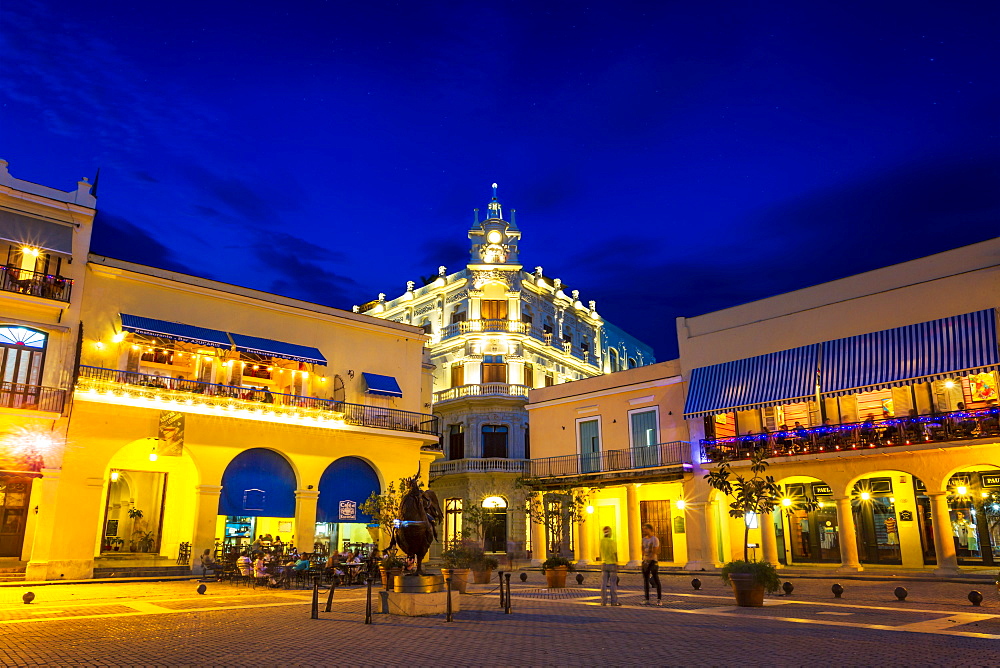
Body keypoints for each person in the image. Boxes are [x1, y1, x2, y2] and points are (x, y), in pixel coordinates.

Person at [641, 523, 662, 606]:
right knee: (645, 580)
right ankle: (646, 598)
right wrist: (644, 560)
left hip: (653, 561)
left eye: (646, 528)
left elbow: (655, 551)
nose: (644, 530)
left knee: (656, 579)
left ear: (650, 529)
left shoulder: (655, 539)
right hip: (645, 560)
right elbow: (642, 549)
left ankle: (659, 599)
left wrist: (649, 560)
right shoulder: (644, 539)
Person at [599, 526, 620, 606]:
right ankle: (614, 601)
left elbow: (601, 552)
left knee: (603, 583)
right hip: (612, 564)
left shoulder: (601, 541)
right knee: (613, 583)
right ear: (610, 533)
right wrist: (617, 563)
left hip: (604, 564)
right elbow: (615, 553)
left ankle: (603, 601)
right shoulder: (612, 542)